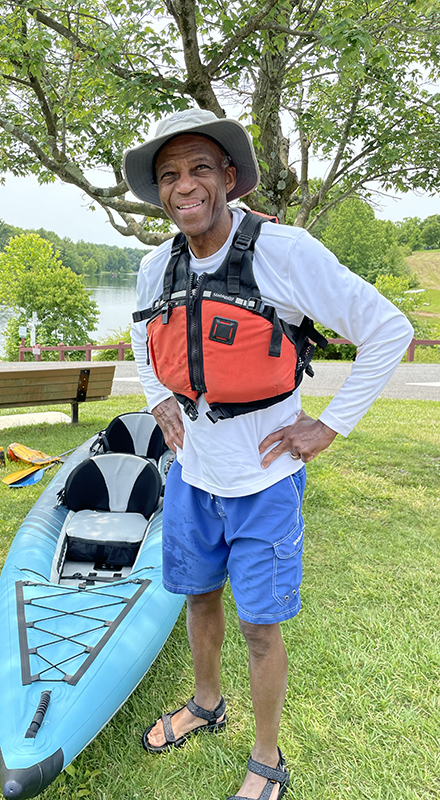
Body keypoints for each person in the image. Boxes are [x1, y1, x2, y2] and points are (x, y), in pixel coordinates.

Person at [122, 108, 413, 800]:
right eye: (169, 175)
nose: (183, 186)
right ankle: (205, 702)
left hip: (266, 481)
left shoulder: (286, 253)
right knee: (197, 599)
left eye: (198, 169)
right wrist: (159, 395)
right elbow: (142, 337)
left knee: (258, 625)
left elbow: (387, 329)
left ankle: (266, 757)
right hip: (193, 476)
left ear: (229, 177)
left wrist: (331, 426)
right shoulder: (154, 266)